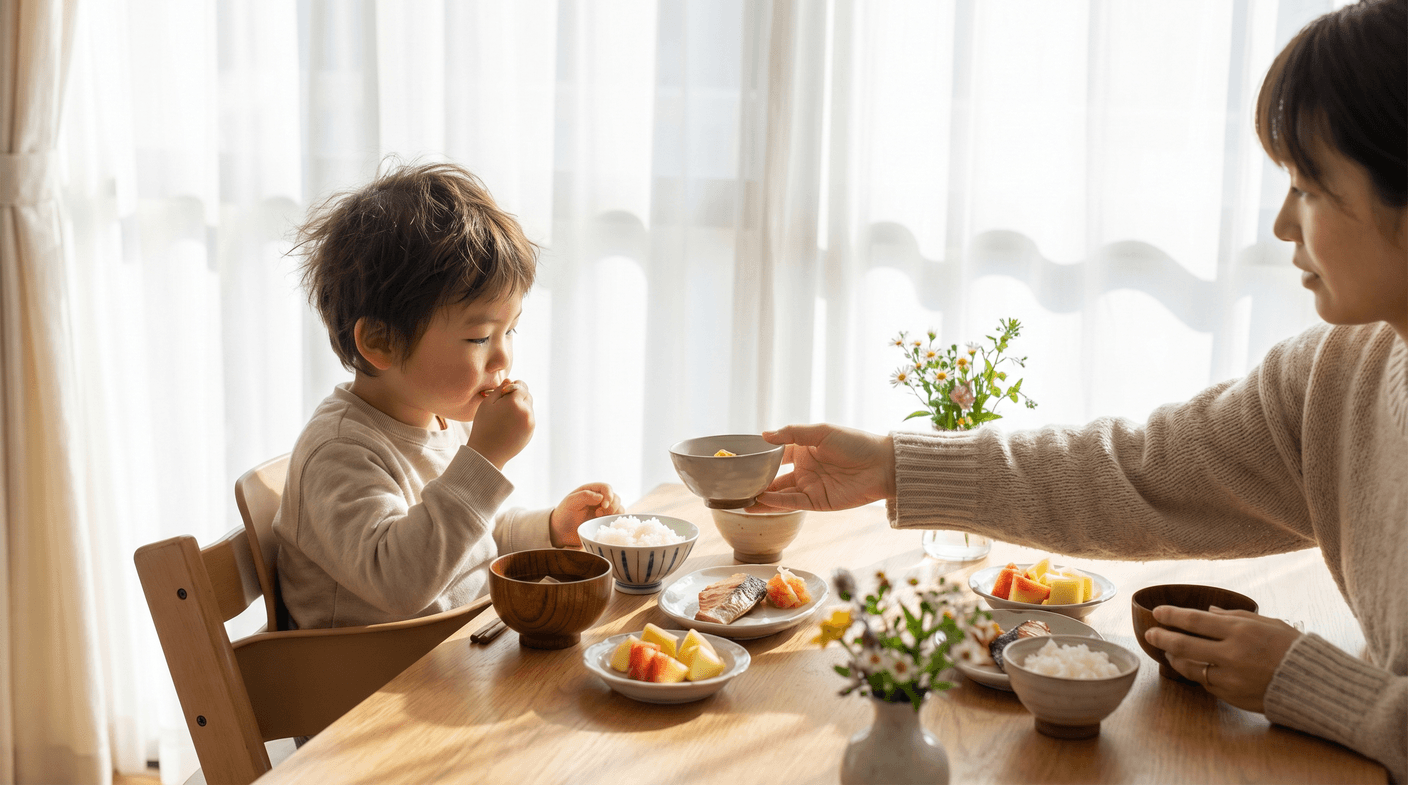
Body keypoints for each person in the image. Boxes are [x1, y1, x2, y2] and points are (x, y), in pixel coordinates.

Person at [757, 0, 1406, 779]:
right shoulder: (1341, 372)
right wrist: (897, 465)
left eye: (1308, 186)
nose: (1279, 225)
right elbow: (1138, 470)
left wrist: (1325, 688)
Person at [275, 161, 623, 630]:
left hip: (457, 654)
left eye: (510, 330)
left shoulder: (440, 418)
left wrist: (550, 528)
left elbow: (471, 534)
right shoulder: (339, 451)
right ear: (381, 342)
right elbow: (399, 582)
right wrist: (484, 460)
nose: (503, 358)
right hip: (375, 686)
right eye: (480, 337)